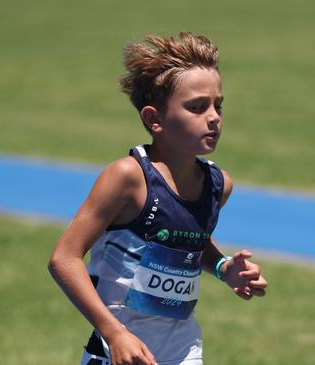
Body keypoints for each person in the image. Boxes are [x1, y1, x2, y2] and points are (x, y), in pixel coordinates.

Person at [48, 32, 268, 365]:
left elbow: (188, 241)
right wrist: (115, 334)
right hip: (120, 350)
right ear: (154, 119)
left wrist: (223, 267)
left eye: (218, 105)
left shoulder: (217, 185)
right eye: (196, 107)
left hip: (182, 349)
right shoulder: (127, 178)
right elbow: (63, 259)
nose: (214, 117)